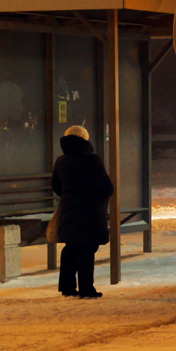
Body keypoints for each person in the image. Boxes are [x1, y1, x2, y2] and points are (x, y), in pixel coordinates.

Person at [52, 124, 114, 298]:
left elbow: (57, 187)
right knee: (87, 249)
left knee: (71, 248)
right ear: (85, 140)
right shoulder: (92, 160)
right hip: (90, 212)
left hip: (69, 210)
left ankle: (67, 287)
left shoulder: (60, 161)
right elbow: (106, 187)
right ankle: (87, 289)